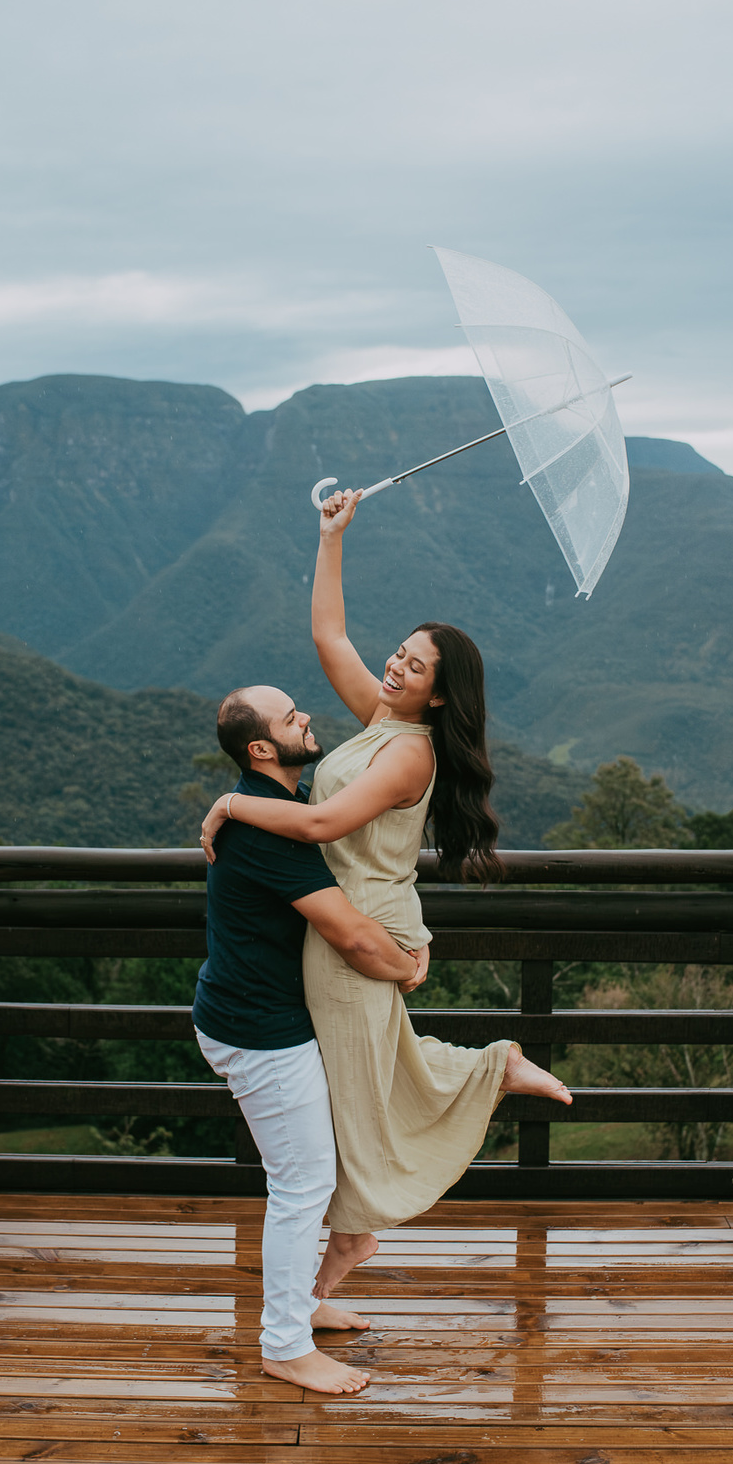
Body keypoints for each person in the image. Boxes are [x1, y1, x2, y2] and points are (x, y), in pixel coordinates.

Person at [201, 487, 572, 1301]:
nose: (396, 665)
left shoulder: (410, 754)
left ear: (439, 695)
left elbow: (324, 822)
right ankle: (338, 1263)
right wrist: (332, 535)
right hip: (352, 921)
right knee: (353, 1082)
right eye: (398, 652)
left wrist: (230, 803)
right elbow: (329, 633)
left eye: (414, 665)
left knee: (355, 1088)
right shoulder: (378, 714)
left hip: (352, 928)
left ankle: (483, 1079)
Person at [192, 682, 426, 1397]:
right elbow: (352, 935)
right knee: (300, 1186)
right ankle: (284, 1346)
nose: (307, 720)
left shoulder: (278, 810)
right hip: (259, 1032)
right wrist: (408, 967)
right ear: (263, 748)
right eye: (293, 718)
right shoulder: (269, 828)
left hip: (266, 1018)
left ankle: (307, 1306)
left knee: (312, 1175)